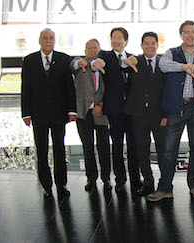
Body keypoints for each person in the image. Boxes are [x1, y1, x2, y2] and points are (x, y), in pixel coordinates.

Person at [149, 20, 194, 201]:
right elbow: (163, 65)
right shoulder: (171, 53)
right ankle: (165, 188)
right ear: (181, 34)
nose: (189, 35)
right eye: (186, 31)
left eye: (193, 31)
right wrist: (183, 67)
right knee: (168, 150)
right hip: (176, 108)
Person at [77, 27, 141, 193]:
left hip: (133, 110)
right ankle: (120, 179)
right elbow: (95, 61)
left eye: (120, 38)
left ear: (126, 41)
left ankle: (135, 178)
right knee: (117, 146)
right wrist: (94, 63)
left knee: (134, 146)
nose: (116, 40)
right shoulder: (105, 56)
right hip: (114, 110)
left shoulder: (134, 58)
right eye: (113, 37)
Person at [21, 28, 76, 198]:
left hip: (59, 114)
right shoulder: (29, 60)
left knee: (60, 150)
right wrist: (26, 113)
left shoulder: (64, 59)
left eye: (51, 38)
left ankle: (62, 185)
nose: (48, 40)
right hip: (38, 115)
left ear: (54, 41)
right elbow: (25, 88)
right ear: (39, 40)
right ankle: (46, 186)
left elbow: (70, 88)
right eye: (45, 38)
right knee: (42, 151)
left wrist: (72, 110)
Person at [123, 32, 168, 197]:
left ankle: (165, 185)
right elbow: (121, 65)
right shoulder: (134, 61)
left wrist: (166, 115)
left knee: (163, 150)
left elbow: (167, 91)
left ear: (157, 45)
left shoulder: (164, 63)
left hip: (159, 115)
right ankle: (148, 182)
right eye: (146, 43)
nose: (150, 46)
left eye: (153, 43)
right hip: (138, 115)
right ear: (142, 45)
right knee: (142, 151)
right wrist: (124, 61)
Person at [72, 38, 111, 192]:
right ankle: (91, 179)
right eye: (89, 48)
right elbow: (72, 64)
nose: (92, 50)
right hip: (84, 113)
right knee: (87, 147)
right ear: (85, 51)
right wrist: (79, 62)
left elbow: (108, 88)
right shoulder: (79, 64)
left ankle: (106, 178)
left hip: (100, 112)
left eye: (95, 48)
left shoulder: (104, 65)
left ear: (99, 50)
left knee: (104, 147)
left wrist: (100, 104)